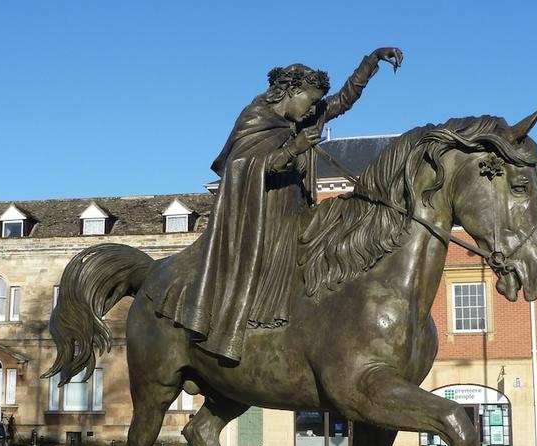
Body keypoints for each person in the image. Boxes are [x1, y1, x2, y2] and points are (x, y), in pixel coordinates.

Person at [157, 48, 403, 362]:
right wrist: (292, 150)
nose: (314, 109)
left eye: (316, 104)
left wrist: (370, 63)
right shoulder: (255, 117)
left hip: (297, 207)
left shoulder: (300, 118)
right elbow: (241, 167)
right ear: (291, 92)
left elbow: (342, 100)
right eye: (310, 101)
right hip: (263, 216)